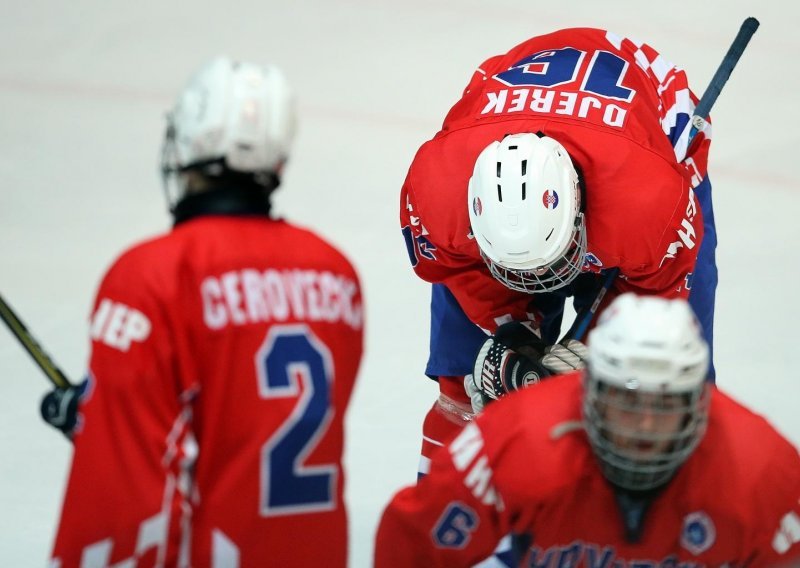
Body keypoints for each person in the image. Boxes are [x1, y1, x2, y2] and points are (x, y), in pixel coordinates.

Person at [40, 57, 364, 567]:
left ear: (191, 140)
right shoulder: (334, 273)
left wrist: (111, 428)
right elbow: (250, 415)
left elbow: (125, 500)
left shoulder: (151, 275)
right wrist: (101, 411)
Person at [399, 28, 719, 479]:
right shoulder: (436, 191)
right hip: (513, 136)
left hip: (643, 144)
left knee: (665, 382)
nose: (533, 285)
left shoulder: (650, 206)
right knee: (465, 385)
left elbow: (658, 306)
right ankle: (445, 526)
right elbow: (455, 266)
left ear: (579, 213)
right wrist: (511, 331)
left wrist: (600, 349)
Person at [375, 294, 800, 567]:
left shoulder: (763, 471)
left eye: (665, 404)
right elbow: (413, 544)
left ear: (697, 403)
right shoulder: (516, 440)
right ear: (589, 392)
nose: (646, 426)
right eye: (628, 401)